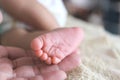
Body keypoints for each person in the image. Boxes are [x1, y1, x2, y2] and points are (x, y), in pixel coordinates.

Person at [0, 0, 84, 64]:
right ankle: (54, 41)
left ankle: (56, 30)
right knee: (9, 39)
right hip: (7, 25)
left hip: (41, 9)